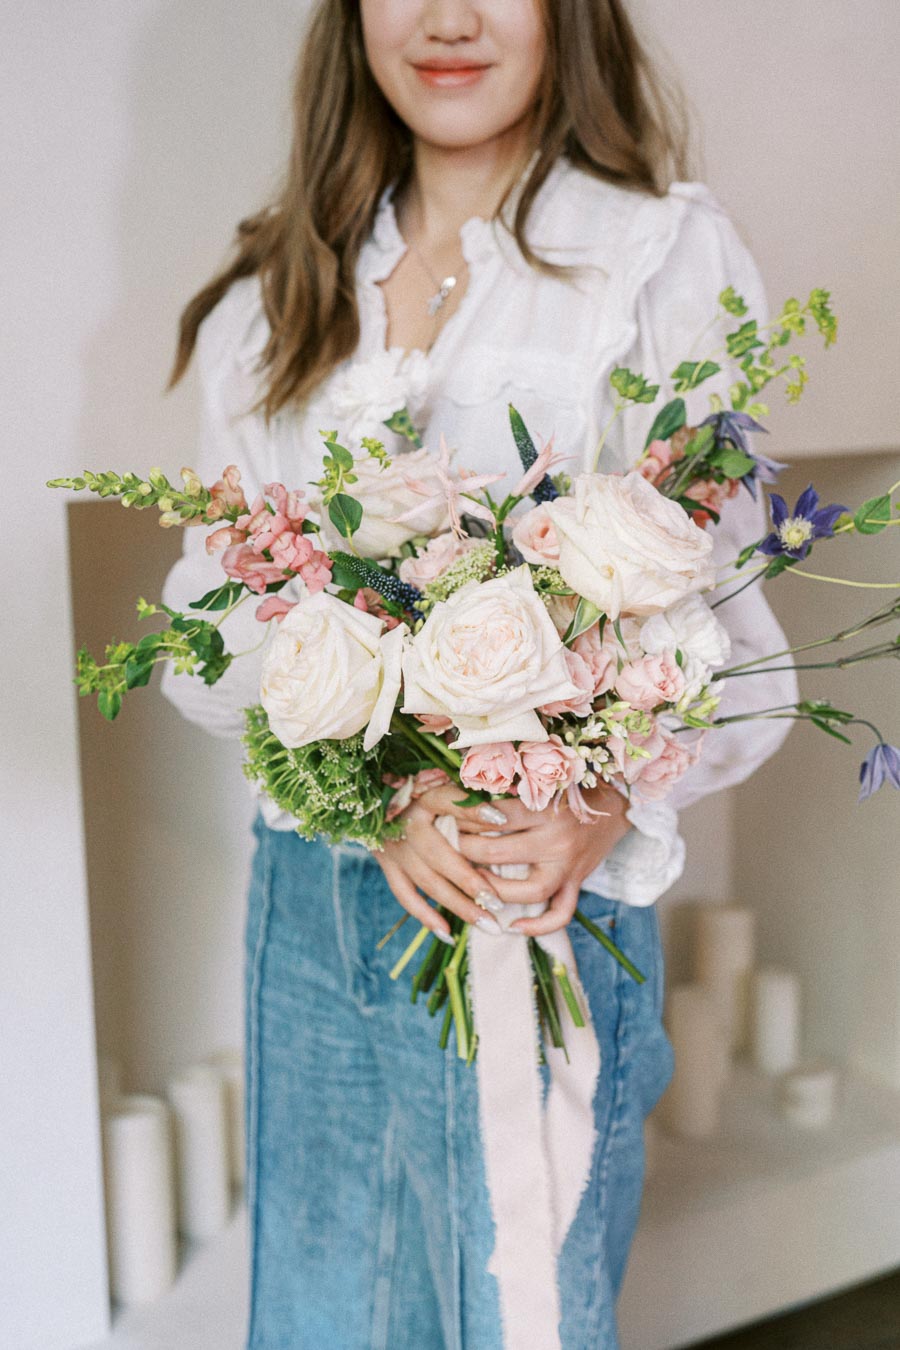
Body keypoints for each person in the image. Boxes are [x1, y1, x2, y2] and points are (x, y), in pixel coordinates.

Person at [160, 2, 798, 1345]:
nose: (447, 18)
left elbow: (735, 641)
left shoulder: (657, 260)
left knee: (516, 1324)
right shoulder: (276, 290)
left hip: (534, 900)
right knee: (319, 1317)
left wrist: (602, 800)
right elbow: (210, 625)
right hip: (311, 904)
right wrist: (372, 791)